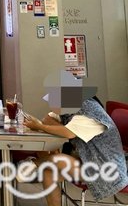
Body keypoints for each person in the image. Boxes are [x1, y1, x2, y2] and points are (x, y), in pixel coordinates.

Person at [22, 70, 128, 206]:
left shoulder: (89, 112)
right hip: (87, 161)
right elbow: (47, 119)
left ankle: (33, 164)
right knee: (48, 171)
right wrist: (50, 126)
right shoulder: (70, 108)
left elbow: (68, 133)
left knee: (55, 160)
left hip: (106, 169)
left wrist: (41, 127)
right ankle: (35, 165)